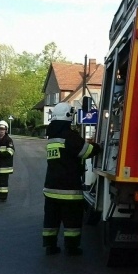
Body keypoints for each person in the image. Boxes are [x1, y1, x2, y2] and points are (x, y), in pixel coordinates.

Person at [42, 102, 102, 255]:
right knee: (72, 222)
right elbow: (86, 151)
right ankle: (72, 248)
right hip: (69, 189)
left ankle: (50, 246)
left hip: (50, 189)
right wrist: (99, 146)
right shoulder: (69, 136)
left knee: (51, 221)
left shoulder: (52, 137)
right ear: (68, 116)